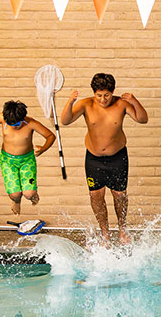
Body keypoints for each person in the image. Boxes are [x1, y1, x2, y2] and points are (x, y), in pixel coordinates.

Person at [59, 73, 148, 247]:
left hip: (118, 158)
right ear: (94, 93)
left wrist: (134, 100)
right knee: (95, 196)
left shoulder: (121, 104)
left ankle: (122, 228)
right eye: (99, 95)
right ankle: (105, 233)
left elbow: (142, 119)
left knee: (120, 195)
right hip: (94, 159)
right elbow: (65, 121)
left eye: (106, 95)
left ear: (112, 91)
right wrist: (70, 102)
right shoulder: (86, 104)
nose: (103, 99)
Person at [0, 100, 56, 215]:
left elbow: (50, 136)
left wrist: (43, 149)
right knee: (15, 194)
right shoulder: (3, 118)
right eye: (11, 125)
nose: (15, 127)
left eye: (17, 124)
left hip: (27, 161)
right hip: (8, 161)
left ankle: (32, 194)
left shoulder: (31, 123)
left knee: (29, 194)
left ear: (23, 118)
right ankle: (16, 201)